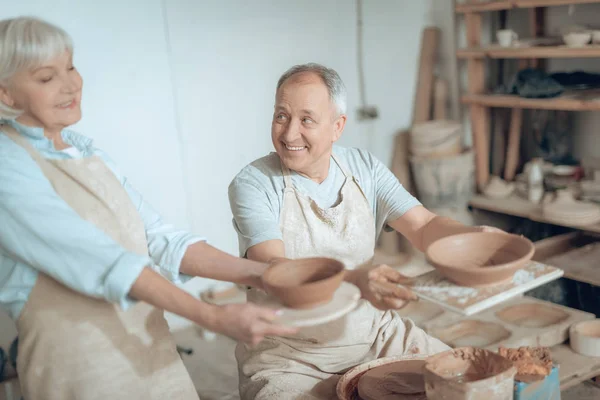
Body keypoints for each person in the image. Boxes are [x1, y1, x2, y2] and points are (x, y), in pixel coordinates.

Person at [0, 16, 298, 400]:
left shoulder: (85, 151)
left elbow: (161, 238)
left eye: (70, 66)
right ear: (6, 94)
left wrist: (265, 274)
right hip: (78, 370)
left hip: (151, 354)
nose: (71, 84)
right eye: (46, 77)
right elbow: (102, 259)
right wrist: (211, 316)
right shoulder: (7, 164)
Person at [228, 63, 502, 399]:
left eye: (306, 120)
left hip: (376, 336)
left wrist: (468, 240)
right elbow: (274, 267)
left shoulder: (364, 168)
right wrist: (355, 279)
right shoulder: (254, 184)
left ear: (337, 126)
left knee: (466, 386)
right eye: (281, 116)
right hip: (288, 355)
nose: (289, 134)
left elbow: (423, 225)